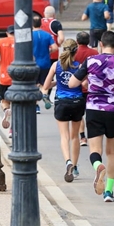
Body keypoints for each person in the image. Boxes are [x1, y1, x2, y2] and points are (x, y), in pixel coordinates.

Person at [68, 31, 114, 203]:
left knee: (95, 150)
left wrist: (88, 80)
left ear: (101, 45)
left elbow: (72, 83)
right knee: (112, 151)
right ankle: (109, 191)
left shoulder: (90, 61)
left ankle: (98, 166)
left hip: (94, 109)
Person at [41, 38, 85, 183]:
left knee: (64, 136)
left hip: (61, 101)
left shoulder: (56, 65)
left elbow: (46, 85)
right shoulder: (79, 66)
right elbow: (84, 83)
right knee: (75, 136)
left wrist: (58, 81)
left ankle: (68, 161)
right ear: (76, 51)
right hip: (77, 101)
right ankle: (76, 166)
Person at [74, 31, 99, 151]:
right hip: (92, 87)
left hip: (78, 87)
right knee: (91, 112)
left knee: (79, 115)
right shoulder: (94, 53)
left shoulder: (74, 53)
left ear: (77, 41)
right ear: (89, 41)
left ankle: (82, 137)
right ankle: (93, 135)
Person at [32, 15, 58, 114]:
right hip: (45, 63)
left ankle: (36, 106)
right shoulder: (47, 35)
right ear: (41, 24)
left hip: (33, 64)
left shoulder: (30, 35)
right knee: (44, 84)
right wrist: (49, 51)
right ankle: (44, 96)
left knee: (34, 85)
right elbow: (55, 47)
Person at [0, 25, 15, 136]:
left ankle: (6, 110)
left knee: (4, 101)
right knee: (16, 105)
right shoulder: (20, 42)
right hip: (17, 78)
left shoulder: (1, 42)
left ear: (7, 32)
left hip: (4, 77)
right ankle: (12, 130)